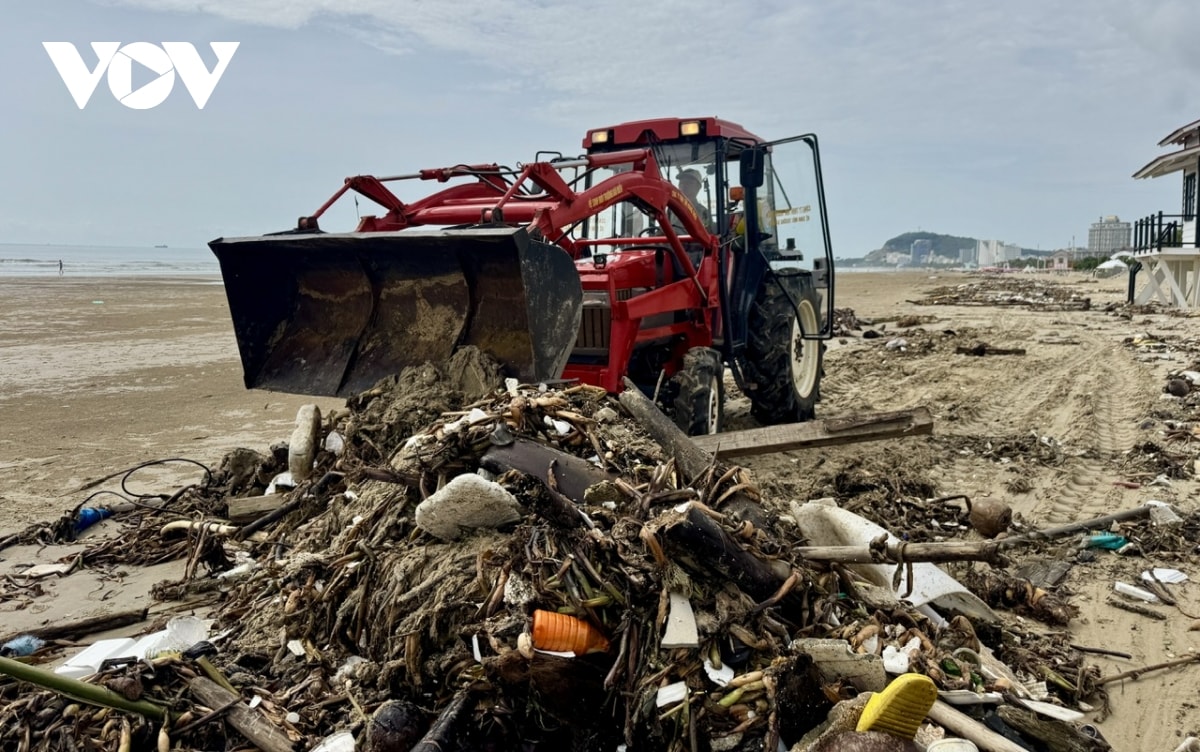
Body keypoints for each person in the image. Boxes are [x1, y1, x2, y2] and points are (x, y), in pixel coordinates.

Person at [671, 168, 712, 233]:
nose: (683, 186)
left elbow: (707, 235)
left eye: (688, 183)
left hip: (690, 242)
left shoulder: (703, 212)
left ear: (698, 187)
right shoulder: (671, 208)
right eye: (681, 183)